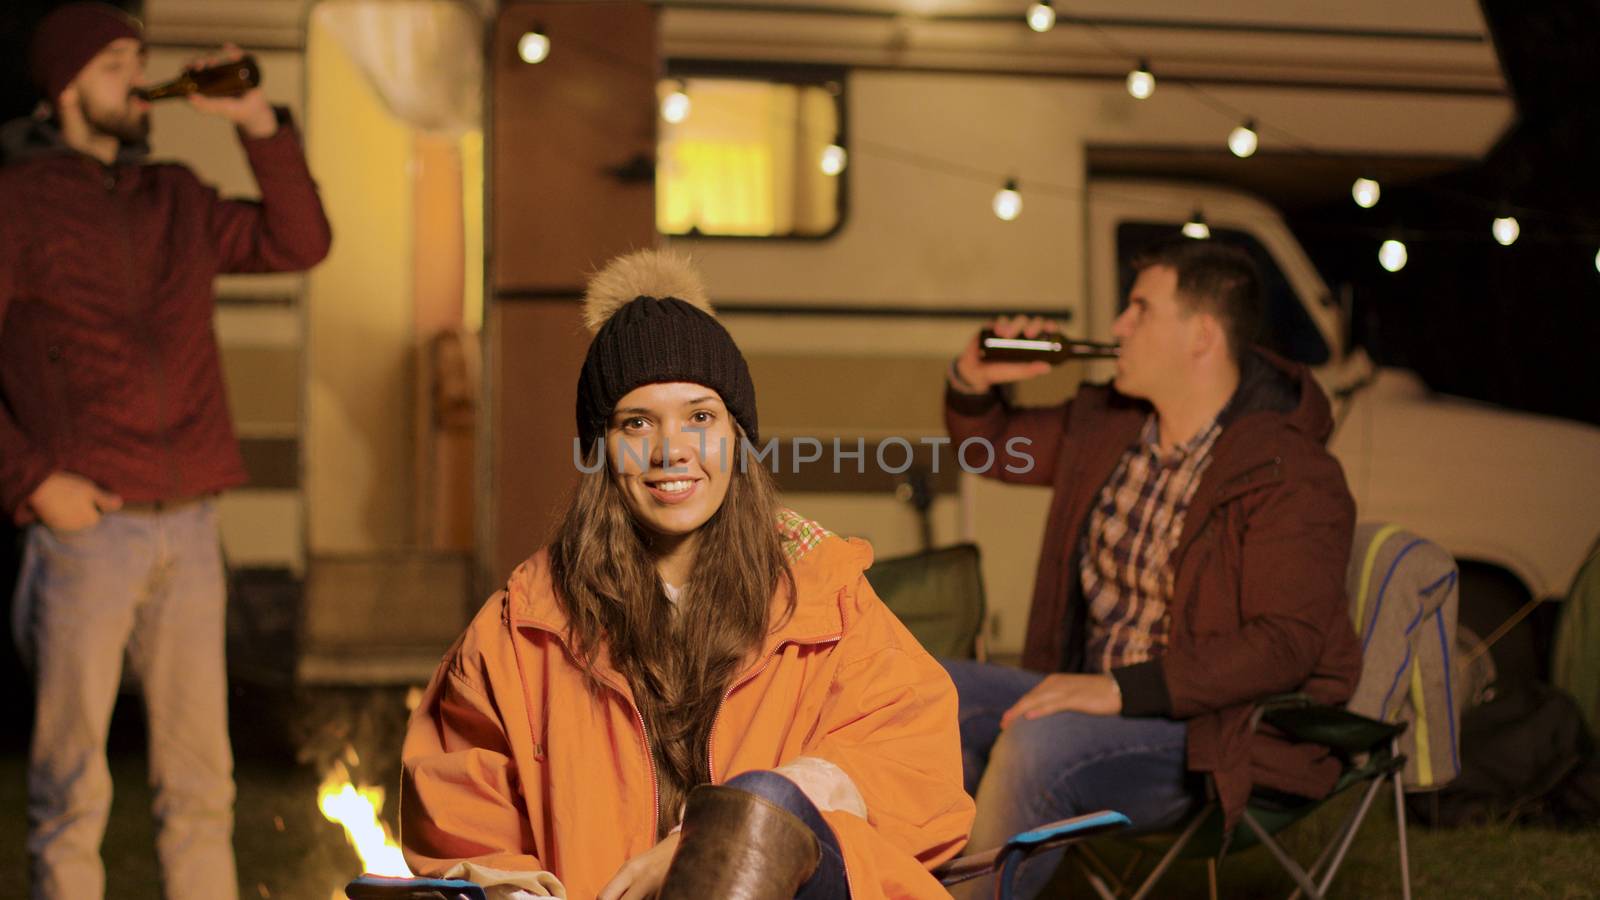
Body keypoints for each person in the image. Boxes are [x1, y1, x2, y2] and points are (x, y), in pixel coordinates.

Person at [400, 249, 973, 900]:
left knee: (764, 805)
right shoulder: (522, 631)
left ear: (736, 435)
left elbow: (917, 773)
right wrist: (515, 891)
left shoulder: (822, 597)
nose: (672, 450)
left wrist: (743, 822)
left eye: (700, 416)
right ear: (602, 449)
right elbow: (457, 827)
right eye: (637, 422)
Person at [0, 5, 333, 898]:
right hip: (86, 533)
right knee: (71, 791)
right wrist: (32, 480)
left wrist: (259, 124)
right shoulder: (19, 203)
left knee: (201, 789)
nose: (139, 76)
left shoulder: (177, 195)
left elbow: (301, 242)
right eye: (117, 63)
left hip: (189, 527)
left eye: (140, 59)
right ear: (65, 86)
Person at [941, 239, 1362, 898]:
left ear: (1200, 335)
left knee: (1035, 744)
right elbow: (994, 447)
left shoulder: (1289, 471)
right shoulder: (1110, 426)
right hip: (1087, 697)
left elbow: (1285, 643)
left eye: (1139, 310)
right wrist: (974, 381)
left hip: (1207, 734)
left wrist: (1118, 692)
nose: (1116, 327)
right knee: (924, 692)